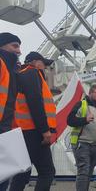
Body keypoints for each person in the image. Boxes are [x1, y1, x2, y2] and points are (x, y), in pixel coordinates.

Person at [9, 52, 56, 191]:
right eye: (44, 64)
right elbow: (35, 102)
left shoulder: (20, 75)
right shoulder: (32, 73)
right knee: (47, 172)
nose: (45, 68)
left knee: (23, 173)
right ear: (35, 62)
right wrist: (45, 130)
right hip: (34, 131)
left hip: (21, 131)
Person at [0, 32, 21, 191]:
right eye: (15, 46)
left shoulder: (10, 70)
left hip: (5, 130)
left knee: (4, 178)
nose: (19, 51)